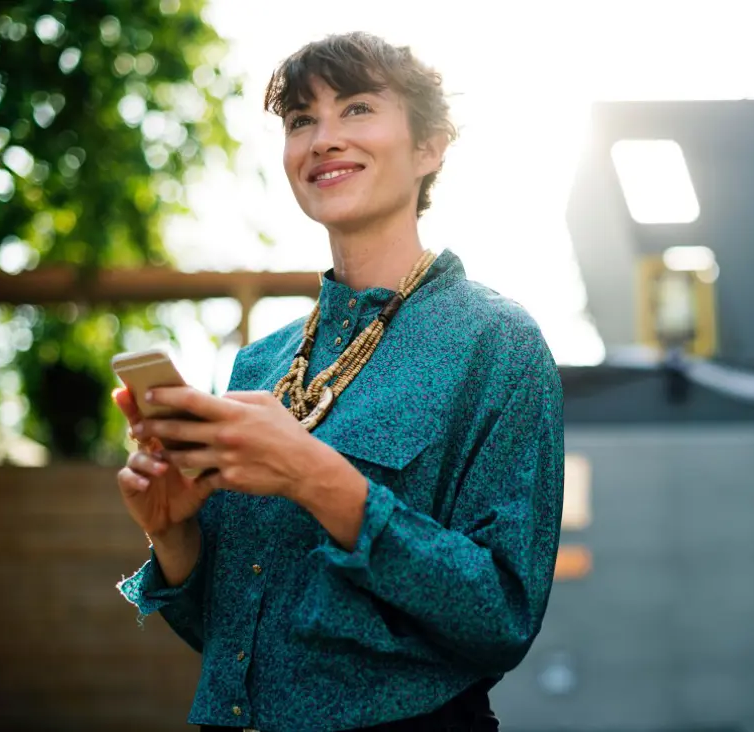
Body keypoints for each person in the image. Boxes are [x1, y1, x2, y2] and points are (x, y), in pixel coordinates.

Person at [115, 31, 564, 732]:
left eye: (356, 109)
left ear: (429, 146)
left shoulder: (497, 344)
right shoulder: (258, 364)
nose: (323, 138)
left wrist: (313, 476)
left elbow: (503, 615)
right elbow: (228, 639)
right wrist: (173, 536)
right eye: (301, 120)